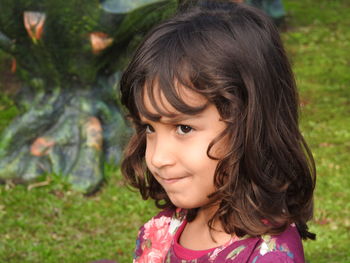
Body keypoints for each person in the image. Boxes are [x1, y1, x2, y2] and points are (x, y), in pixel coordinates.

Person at [120, 1, 316, 262]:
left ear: (249, 122)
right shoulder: (166, 227)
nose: (157, 158)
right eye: (149, 128)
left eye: (183, 128)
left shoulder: (268, 256)